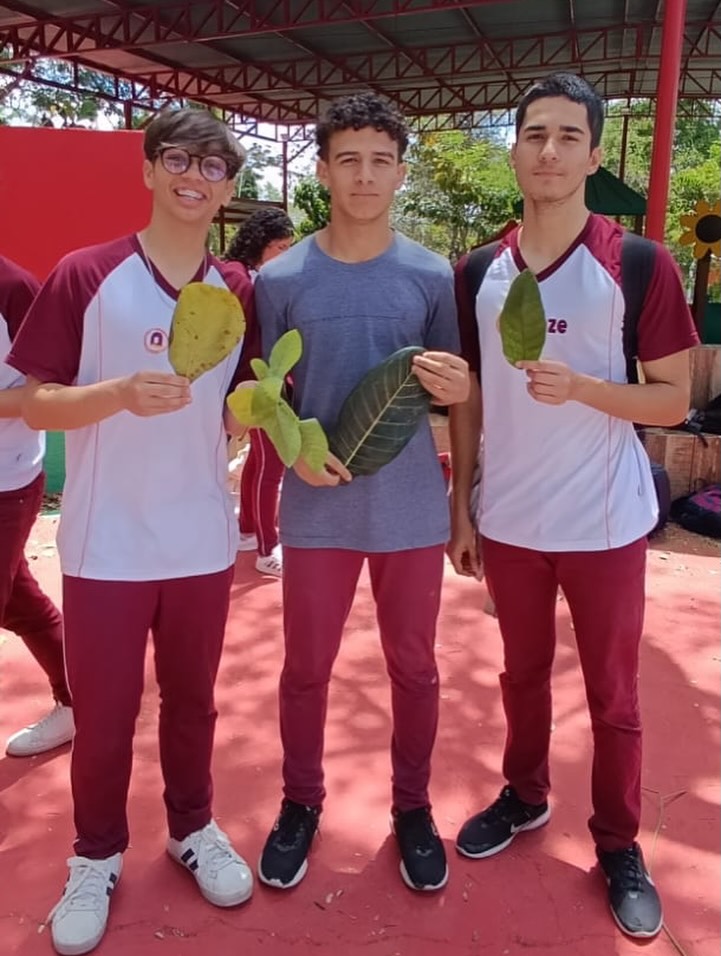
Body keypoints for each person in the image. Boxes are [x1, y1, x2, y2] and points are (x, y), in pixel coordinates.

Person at [448, 72, 698, 940]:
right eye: (533, 135)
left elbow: (671, 400)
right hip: (510, 522)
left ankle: (618, 843)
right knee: (519, 677)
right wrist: (461, 506)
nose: (547, 151)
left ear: (593, 156)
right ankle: (523, 796)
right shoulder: (478, 271)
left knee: (612, 696)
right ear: (514, 151)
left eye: (566, 137)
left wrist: (587, 388)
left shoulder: (635, 263)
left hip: (603, 522)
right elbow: (469, 399)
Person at [7, 108, 259, 956]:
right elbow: (32, 400)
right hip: (105, 543)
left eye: (214, 166)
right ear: (149, 169)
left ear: (228, 188)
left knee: (193, 702)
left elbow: (242, 404)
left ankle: (192, 828)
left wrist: (257, 412)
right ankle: (95, 855)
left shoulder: (238, 291)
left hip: (200, 540)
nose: (195, 176)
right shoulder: (87, 274)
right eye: (179, 158)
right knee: (106, 714)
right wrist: (116, 393)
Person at [254, 91, 469, 894]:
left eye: (381, 161)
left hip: (409, 507)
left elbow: (452, 389)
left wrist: (461, 393)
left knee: (414, 668)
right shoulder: (280, 278)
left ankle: (412, 808)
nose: (365, 175)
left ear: (401, 172)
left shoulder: (430, 274)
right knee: (304, 668)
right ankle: (299, 803)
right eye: (348, 159)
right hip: (316, 505)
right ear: (322, 170)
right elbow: (267, 396)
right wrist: (295, 453)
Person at [0, 255, 74, 757]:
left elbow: (47, 393)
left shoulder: (15, 288)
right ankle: (81, 700)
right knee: (19, 602)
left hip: (7, 479)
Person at [224, 208, 294, 577]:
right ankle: (268, 549)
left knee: (259, 460)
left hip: (257, 382)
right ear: (260, 244)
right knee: (271, 465)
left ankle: (248, 530)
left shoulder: (244, 274)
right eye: (281, 247)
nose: (286, 254)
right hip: (257, 384)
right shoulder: (240, 280)